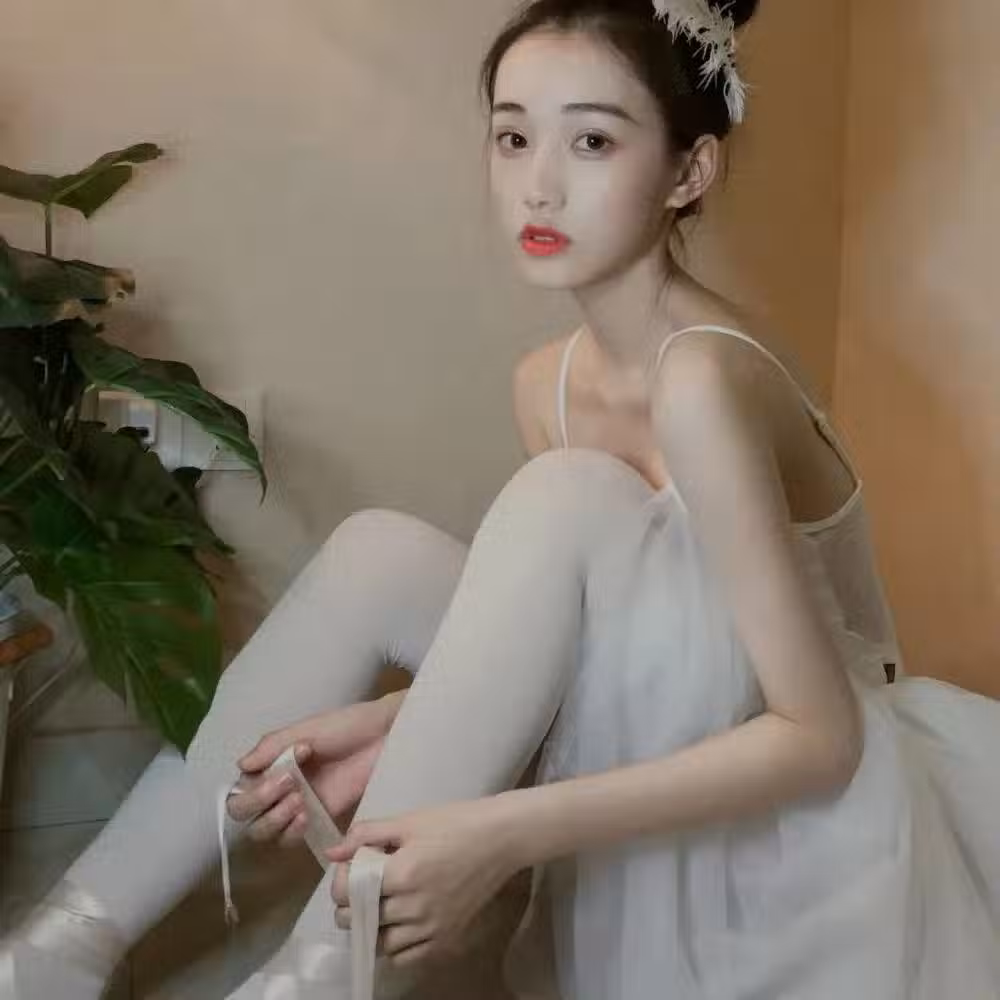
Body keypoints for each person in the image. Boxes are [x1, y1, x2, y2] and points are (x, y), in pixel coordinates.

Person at [4, 0, 1000, 997]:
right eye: (514, 137)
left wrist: (494, 833)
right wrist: (400, 720)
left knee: (562, 495)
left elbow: (819, 738)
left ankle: (313, 977)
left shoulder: (703, 379)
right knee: (381, 551)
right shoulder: (546, 382)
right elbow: (581, 655)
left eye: (593, 141)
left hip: (803, 822)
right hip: (672, 736)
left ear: (688, 172)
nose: (540, 185)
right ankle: (62, 947)